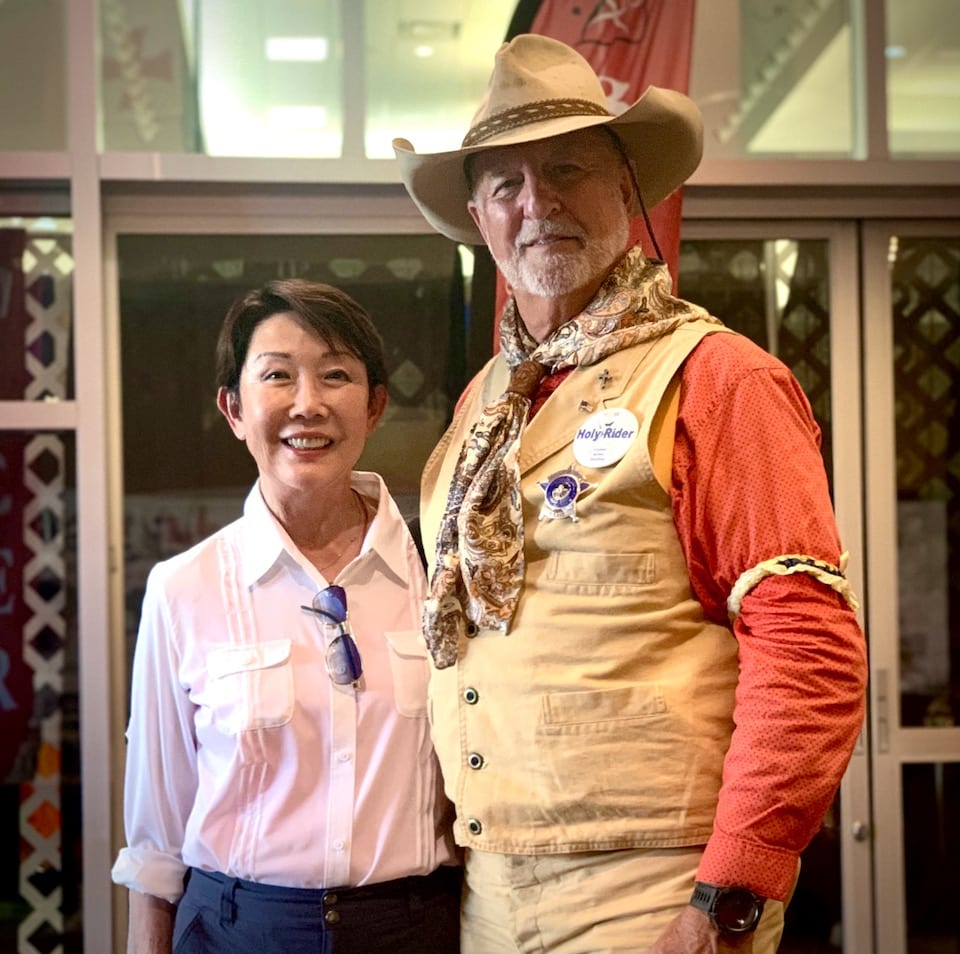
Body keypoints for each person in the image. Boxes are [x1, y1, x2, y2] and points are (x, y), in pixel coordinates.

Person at [393, 34, 867, 954]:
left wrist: (728, 893)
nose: (539, 205)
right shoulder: (483, 403)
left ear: (628, 192)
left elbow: (809, 648)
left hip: (657, 889)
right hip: (489, 889)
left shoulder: (720, 378)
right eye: (506, 185)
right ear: (480, 219)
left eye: (567, 168)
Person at [111, 279, 460, 953]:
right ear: (234, 408)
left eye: (336, 376)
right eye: (277, 376)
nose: (309, 404)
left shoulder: (441, 573)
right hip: (236, 929)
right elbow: (156, 842)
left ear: (376, 404)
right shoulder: (183, 588)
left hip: (415, 927)